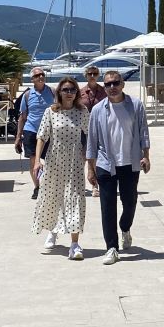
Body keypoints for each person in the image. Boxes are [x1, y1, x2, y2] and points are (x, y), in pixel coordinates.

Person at [85, 69, 151, 265]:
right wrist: (91, 168)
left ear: (122, 84)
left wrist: (146, 156)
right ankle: (111, 248)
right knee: (108, 207)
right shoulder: (98, 110)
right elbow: (92, 141)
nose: (112, 87)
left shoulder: (135, 105)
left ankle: (125, 227)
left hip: (130, 162)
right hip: (107, 164)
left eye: (115, 83)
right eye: (108, 84)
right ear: (104, 87)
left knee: (130, 202)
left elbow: (144, 132)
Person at [33, 77, 89, 260]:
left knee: (74, 199)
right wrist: (37, 161)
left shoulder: (82, 112)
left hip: (74, 162)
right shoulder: (51, 111)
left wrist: (87, 154)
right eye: (65, 89)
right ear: (59, 92)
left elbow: (90, 134)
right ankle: (53, 230)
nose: (69, 93)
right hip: (54, 160)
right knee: (52, 196)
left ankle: (74, 244)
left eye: (72, 89)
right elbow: (41, 136)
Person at [14, 68, 55, 199]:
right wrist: (18, 137)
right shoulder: (27, 95)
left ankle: (50, 186)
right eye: (37, 75)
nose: (40, 77)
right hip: (31, 130)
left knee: (51, 161)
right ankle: (37, 187)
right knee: (33, 161)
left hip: (50, 131)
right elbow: (22, 117)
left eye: (42, 74)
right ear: (32, 79)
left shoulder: (53, 92)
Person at [81, 66, 109, 198]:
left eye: (95, 74)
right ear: (86, 75)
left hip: (100, 129)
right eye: (90, 74)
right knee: (83, 158)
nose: (92, 76)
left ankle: (95, 186)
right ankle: (81, 184)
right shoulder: (80, 92)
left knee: (96, 158)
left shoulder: (104, 92)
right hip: (84, 129)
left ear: (98, 76)